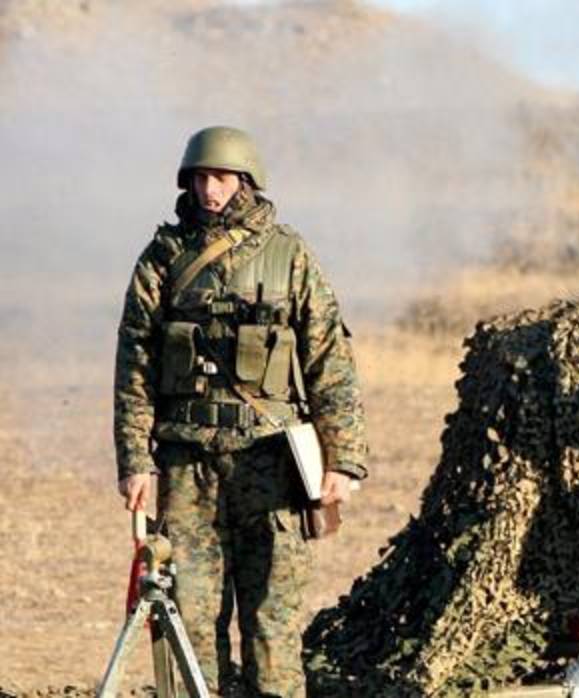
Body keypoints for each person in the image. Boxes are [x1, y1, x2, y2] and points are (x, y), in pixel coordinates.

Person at [113, 126, 368, 697]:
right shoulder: (163, 258)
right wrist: (135, 461)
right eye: (200, 178)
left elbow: (330, 358)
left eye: (222, 178)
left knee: (271, 620)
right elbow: (134, 365)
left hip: (270, 465)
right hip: (187, 468)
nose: (209, 190)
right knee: (188, 619)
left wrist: (344, 461)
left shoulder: (289, 256)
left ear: (246, 181)